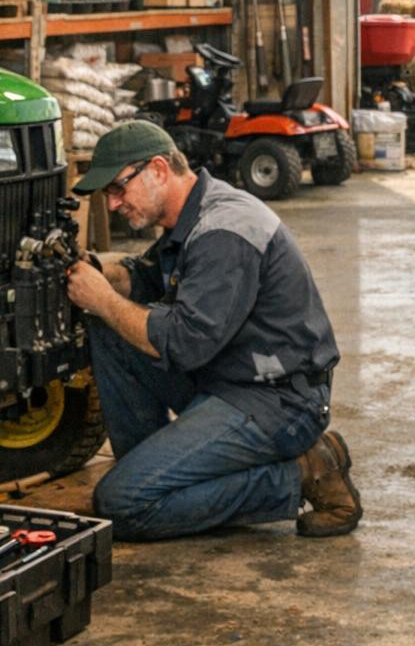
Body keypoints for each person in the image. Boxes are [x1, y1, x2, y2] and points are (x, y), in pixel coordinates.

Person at [65, 120, 361, 542]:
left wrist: (103, 299)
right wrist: (102, 274)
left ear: (158, 170)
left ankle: (304, 471)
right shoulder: (193, 215)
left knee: (122, 505)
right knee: (110, 329)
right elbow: (148, 278)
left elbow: (184, 342)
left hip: (279, 401)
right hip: (230, 377)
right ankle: (156, 470)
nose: (112, 205)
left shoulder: (225, 229)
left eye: (118, 188)